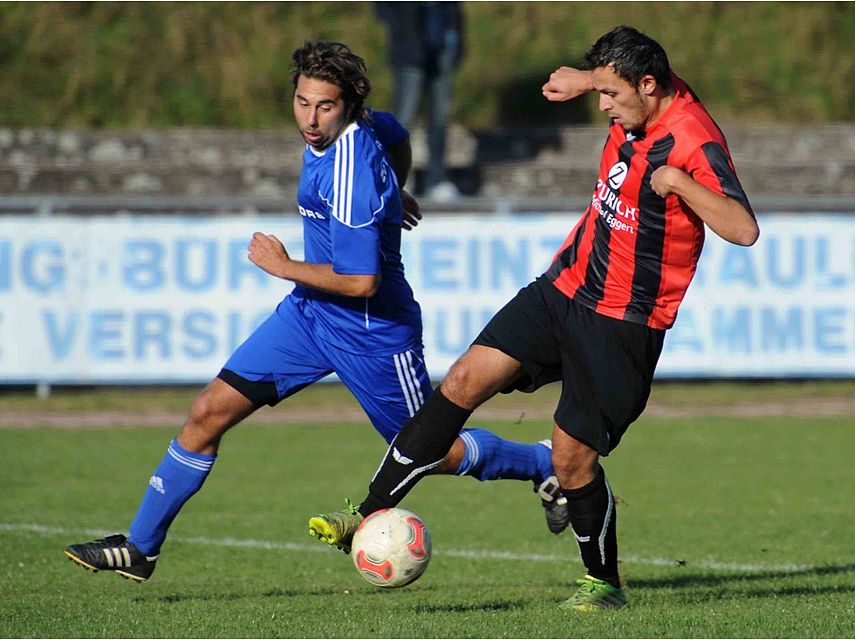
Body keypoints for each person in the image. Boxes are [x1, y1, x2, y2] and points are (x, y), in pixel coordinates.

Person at [63, 40, 566, 583]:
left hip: (373, 333)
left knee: (432, 450)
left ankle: (543, 464)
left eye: (324, 106)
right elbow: (397, 135)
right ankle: (141, 548)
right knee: (208, 410)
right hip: (308, 317)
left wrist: (283, 265)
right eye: (303, 102)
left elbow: (360, 279)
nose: (310, 117)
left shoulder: (349, 172)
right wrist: (394, 191)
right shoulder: (360, 129)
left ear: (349, 104)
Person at [308, 26, 759, 611]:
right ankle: (363, 515)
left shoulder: (695, 140)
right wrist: (586, 79)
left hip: (624, 322)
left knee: (572, 460)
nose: (605, 110)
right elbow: (629, 73)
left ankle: (603, 584)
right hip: (562, 288)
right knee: (463, 380)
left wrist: (677, 183)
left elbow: (744, 229)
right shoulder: (642, 92)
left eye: (613, 97)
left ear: (649, 87)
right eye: (603, 95)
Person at [375, 1, 463, 201]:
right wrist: (403, 31)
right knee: (405, 118)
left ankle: (437, 180)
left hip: (441, 46)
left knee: (440, 119)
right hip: (409, 50)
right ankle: (397, 180)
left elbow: (455, 9)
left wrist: (457, 43)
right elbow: (383, 8)